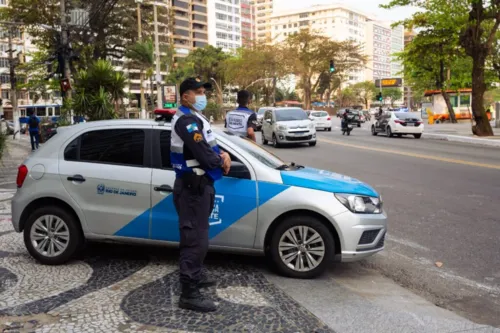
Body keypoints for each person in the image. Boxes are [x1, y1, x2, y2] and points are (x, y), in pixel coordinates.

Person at [170, 77, 231, 313]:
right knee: (195, 240)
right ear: (186, 96)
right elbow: (204, 155)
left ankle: (194, 273)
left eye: (204, 90)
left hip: (198, 187)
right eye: (198, 91)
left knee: (198, 238)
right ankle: (189, 292)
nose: (203, 94)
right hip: (191, 189)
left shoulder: (195, 117)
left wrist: (223, 154)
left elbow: (209, 147)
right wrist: (222, 161)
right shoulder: (186, 121)